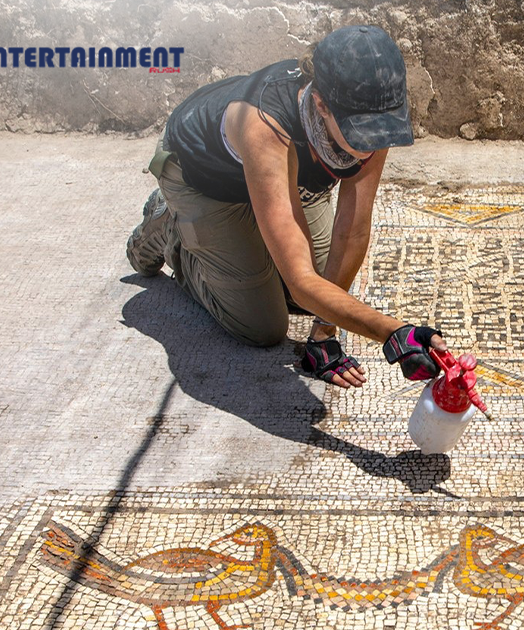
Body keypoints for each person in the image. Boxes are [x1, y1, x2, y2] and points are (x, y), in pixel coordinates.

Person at [126, 25, 446, 389]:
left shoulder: (372, 107)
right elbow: (300, 281)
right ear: (322, 104)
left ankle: (252, 238)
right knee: (261, 326)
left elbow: (353, 230)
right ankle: (169, 225)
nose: (375, 142)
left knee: (326, 293)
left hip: (284, 178)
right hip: (203, 180)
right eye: (364, 130)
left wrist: (324, 335)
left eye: (384, 128)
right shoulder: (266, 124)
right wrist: (393, 332)